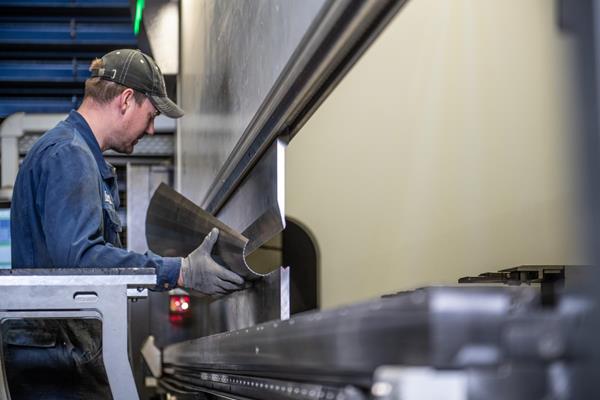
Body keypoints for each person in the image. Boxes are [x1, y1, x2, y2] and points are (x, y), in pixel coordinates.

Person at [5, 49, 245, 399]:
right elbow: (80, 261)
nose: (151, 128)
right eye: (150, 115)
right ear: (126, 100)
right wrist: (178, 272)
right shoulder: (69, 155)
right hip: (58, 360)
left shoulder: (72, 153)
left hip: (56, 352)